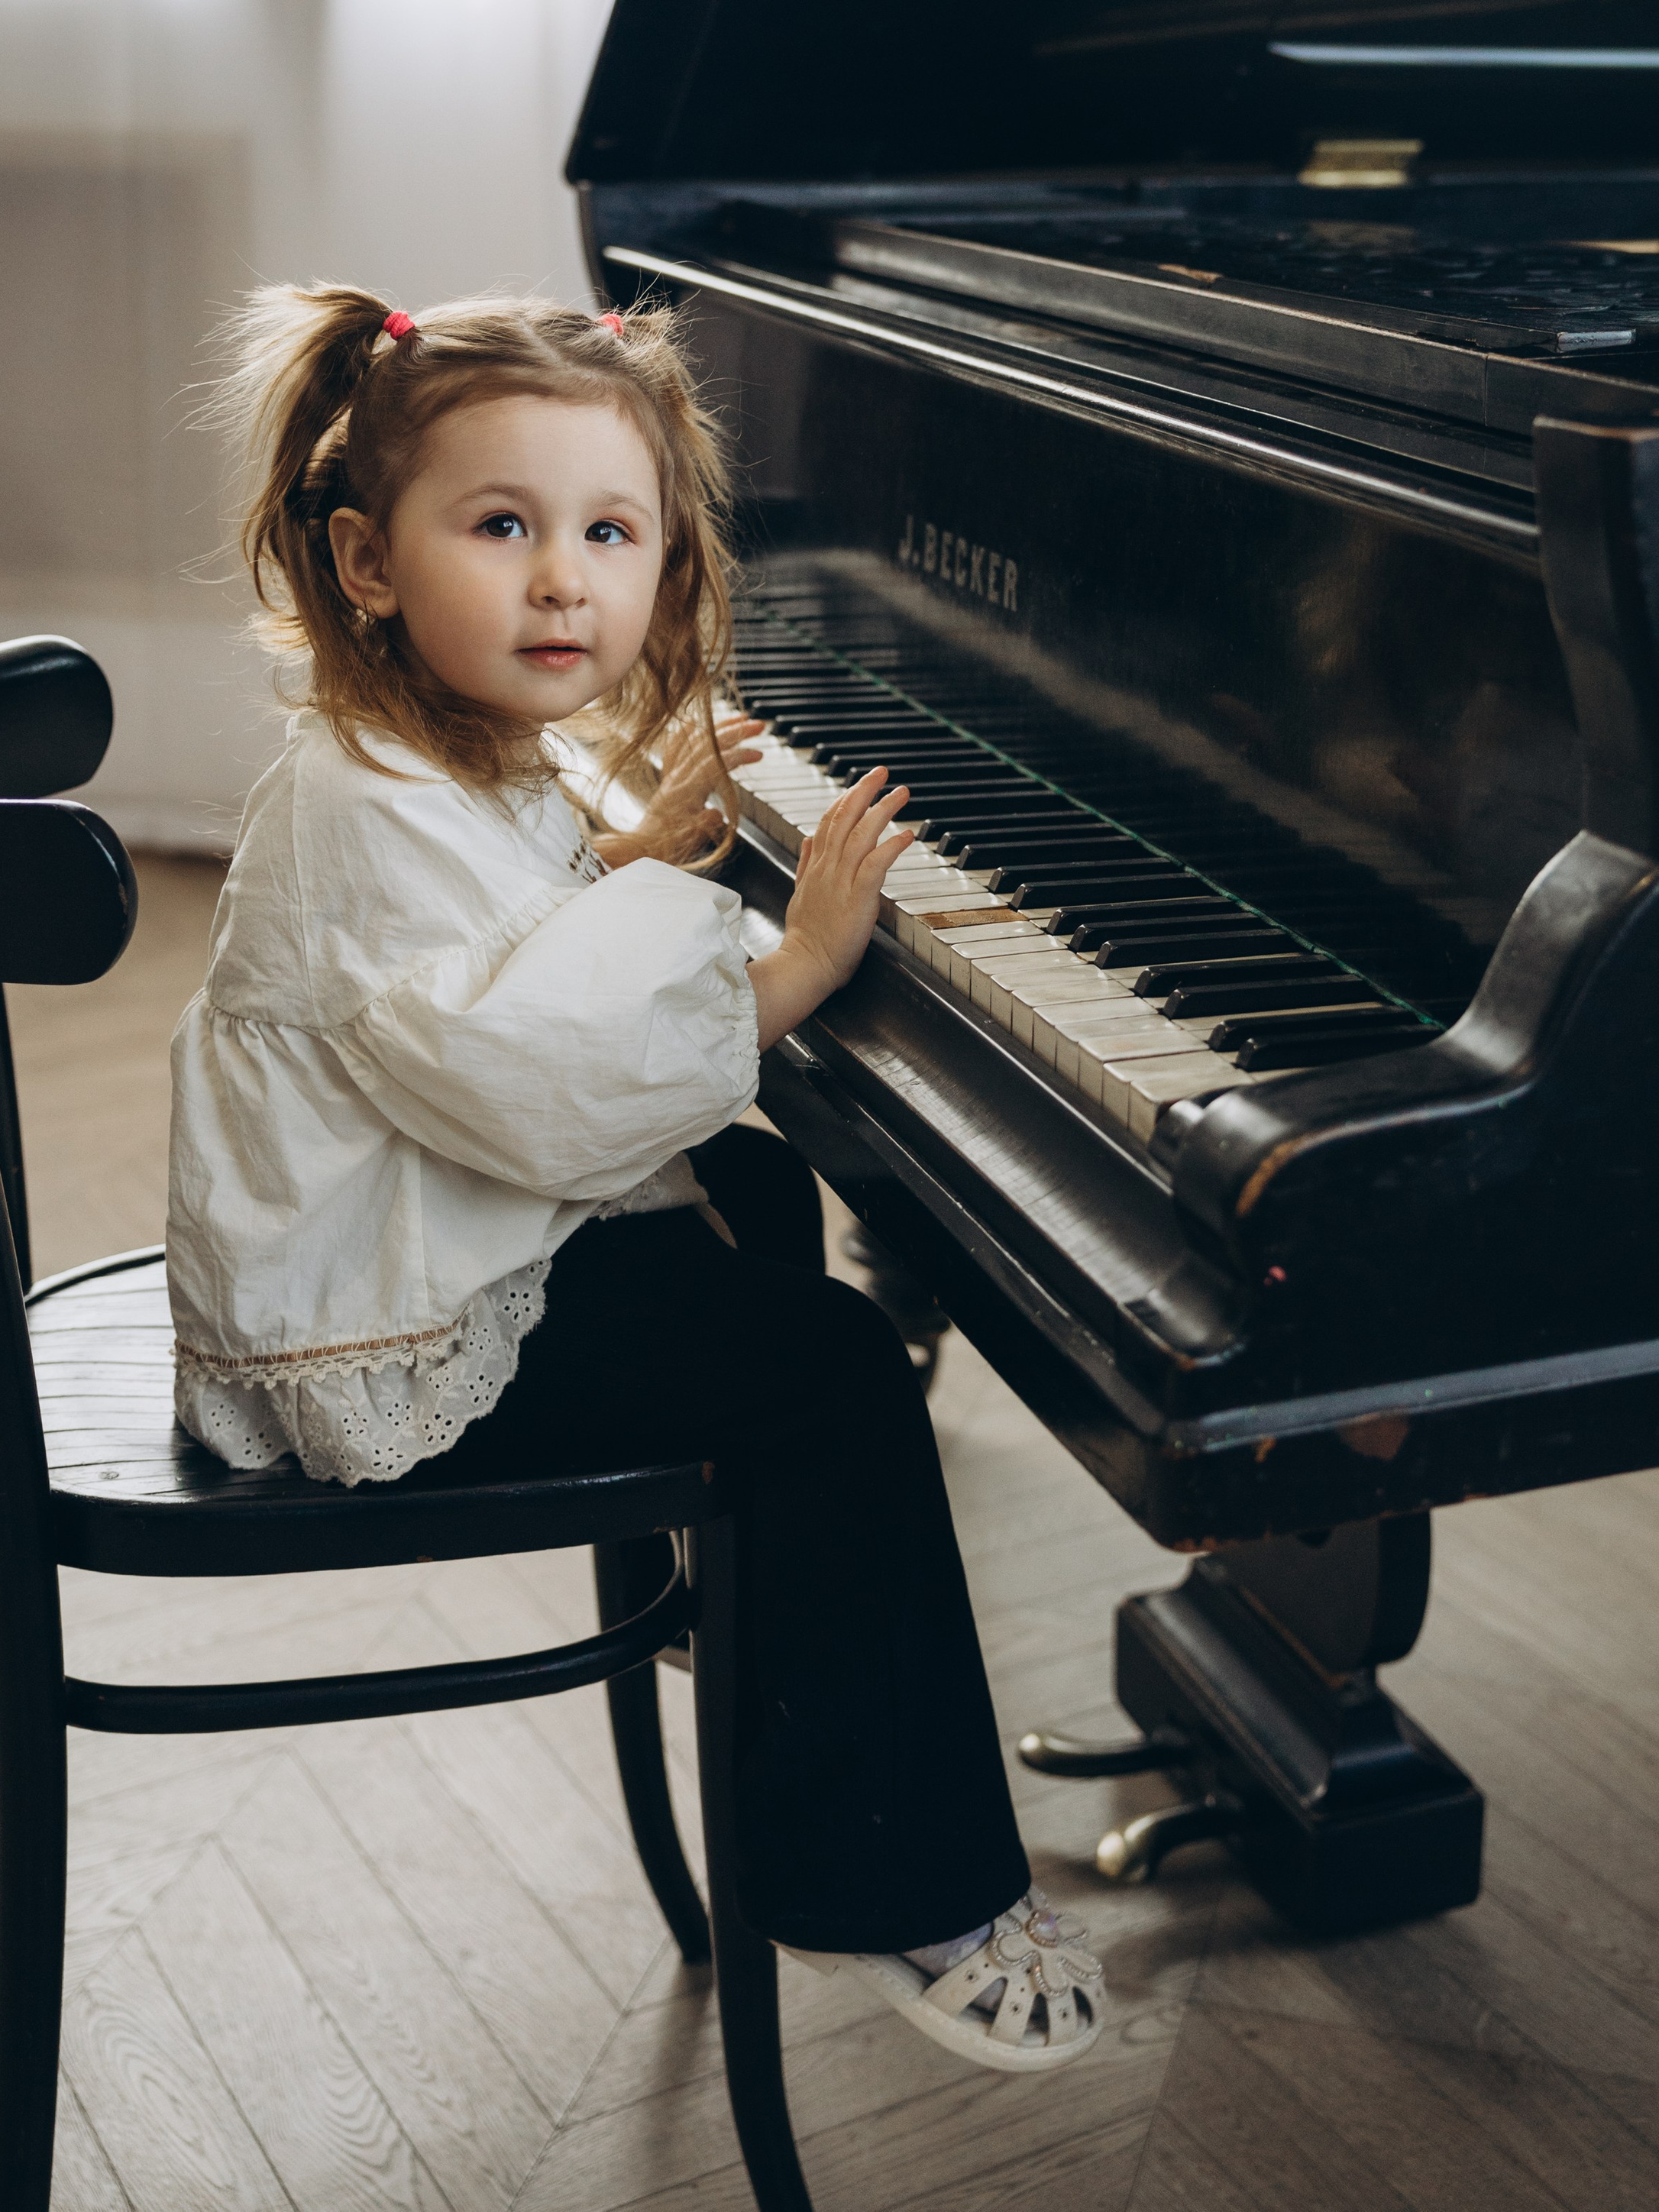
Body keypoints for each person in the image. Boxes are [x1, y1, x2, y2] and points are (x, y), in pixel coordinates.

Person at [166, 284, 1104, 2071]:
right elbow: (533, 1086)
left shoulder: (430, 747)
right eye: (499, 527)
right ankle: (891, 1888)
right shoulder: (360, 800)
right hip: (364, 1321)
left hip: (398, 1232)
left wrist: (608, 854)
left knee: (753, 1203)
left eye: (611, 535)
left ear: (667, 566)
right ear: (365, 563)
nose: (559, 585)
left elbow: (493, 956)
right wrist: (790, 972)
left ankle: (760, 1617)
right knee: (827, 1375)